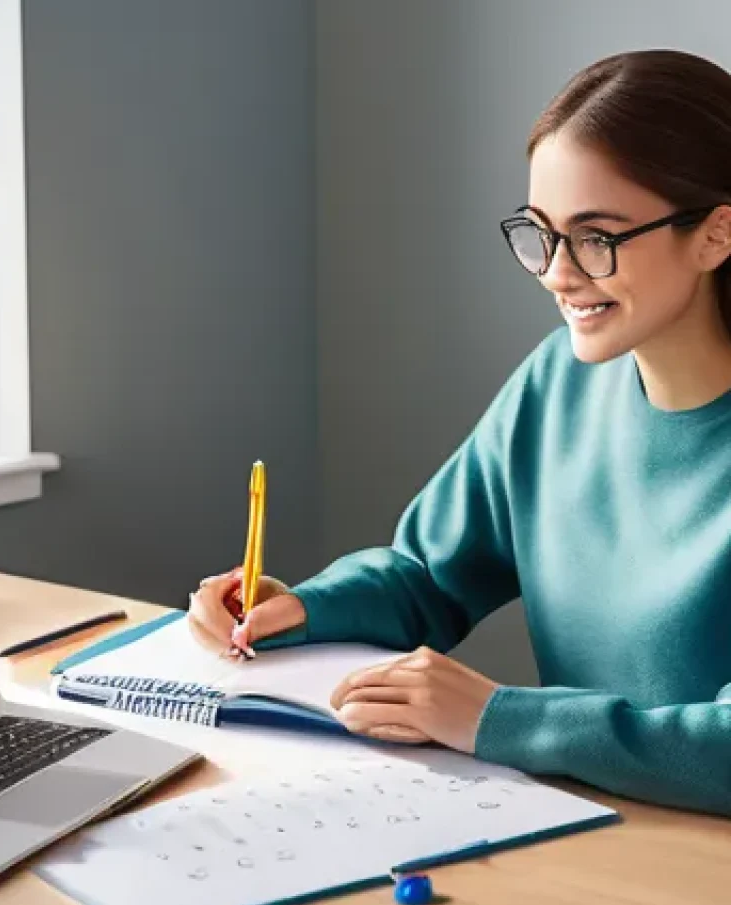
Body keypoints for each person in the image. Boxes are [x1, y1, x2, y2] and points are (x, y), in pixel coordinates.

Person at [189, 49, 731, 817]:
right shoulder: (558, 384)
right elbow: (427, 573)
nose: (557, 274)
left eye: (597, 237)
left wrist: (495, 719)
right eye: (541, 233)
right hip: (584, 825)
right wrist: (302, 609)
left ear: (715, 235)